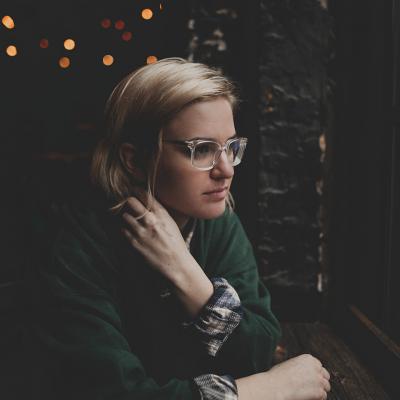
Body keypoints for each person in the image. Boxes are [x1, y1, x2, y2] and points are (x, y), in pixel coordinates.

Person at [27, 57, 331, 399]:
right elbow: (114, 392)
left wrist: (186, 274)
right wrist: (261, 391)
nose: (226, 170)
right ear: (135, 159)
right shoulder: (77, 247)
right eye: (202, 150)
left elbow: (256, 352)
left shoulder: (217, 222)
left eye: (232, 147)